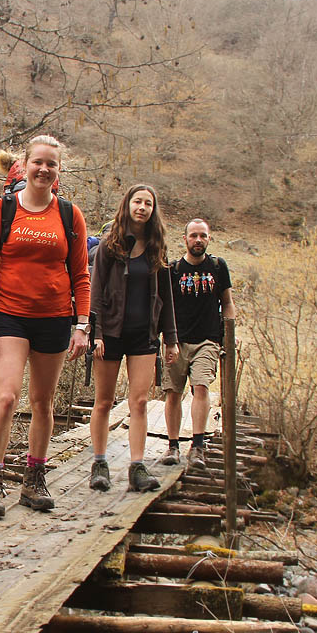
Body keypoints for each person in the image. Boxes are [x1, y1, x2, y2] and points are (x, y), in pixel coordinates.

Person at [0, 135, 90, 519]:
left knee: (43, 403)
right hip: (8, 314)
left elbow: (80, 275)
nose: (44, 169)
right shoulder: (1, 210)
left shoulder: (69, 215)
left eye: (51, 164)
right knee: (7, 397)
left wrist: (82, 325)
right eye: (38, 162)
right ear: (26, 164)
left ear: (58, 171)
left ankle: (34, 479)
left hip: (55, 317)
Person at [87, 184, 177, 492]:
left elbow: (166, 297)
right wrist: (94, 333)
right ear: (127, 205)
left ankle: (137, 467)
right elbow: (95, 292)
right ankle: (99, 464)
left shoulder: (156, 247)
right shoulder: (109, 245)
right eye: (137, 201)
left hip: (144, 336)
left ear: (153, 210)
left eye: (148, 203)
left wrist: (171, 339)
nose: (142, 207)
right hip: (110, 334)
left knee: (139, 401)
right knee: (104, 401)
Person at [158, 219, 236, 469]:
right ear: (185, 239)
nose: (198, 240)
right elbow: (163, 307)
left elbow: (227, 301)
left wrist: (228, 333)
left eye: (203, 236)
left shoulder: (217, 267)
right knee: (173, 393)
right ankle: (172, 446)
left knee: (201, 387)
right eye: (194, 236)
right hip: (177, 341)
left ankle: (198, 445)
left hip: (208, 340)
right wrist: (164, 338)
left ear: (209, 239)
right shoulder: (173, 269)